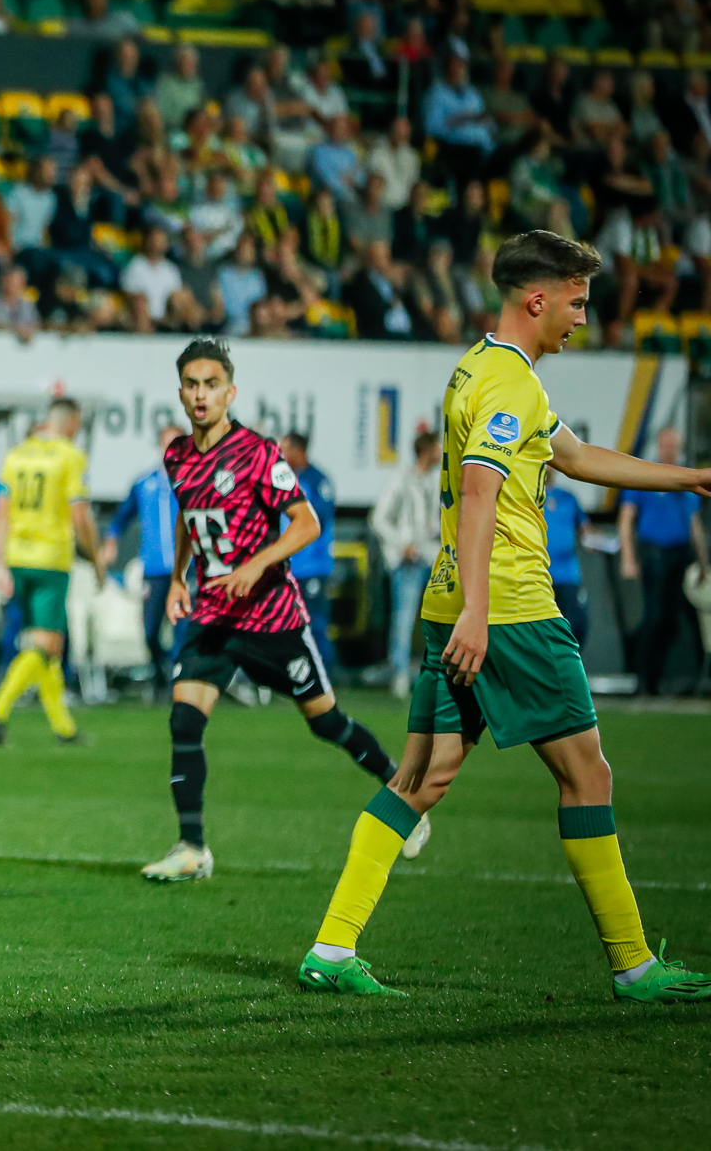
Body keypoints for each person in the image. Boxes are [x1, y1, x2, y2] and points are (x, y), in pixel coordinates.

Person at [298, 230, 711, 1003]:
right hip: (510, 610)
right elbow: (481, 493)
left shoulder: (480, 370)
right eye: (577, 302)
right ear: (538, 298)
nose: (583, 318)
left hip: (449, 601)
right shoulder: (510, 385)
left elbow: (574, 456)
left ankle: (331, 946)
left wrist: (688, 476)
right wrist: (481, 614)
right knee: (588, 775)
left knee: (420, 776)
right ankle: (634, 965)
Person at [146, 339, 417, 883]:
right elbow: (187, 515)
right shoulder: (177, 455)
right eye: (192, 385)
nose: (201, 395)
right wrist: (178, 577)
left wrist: (255, 566)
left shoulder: (257, 452)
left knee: (327, 722)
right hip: (213, 616)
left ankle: (405, 797)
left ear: (230, 392)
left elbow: (306, 523)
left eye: (211, 384)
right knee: (184, 719)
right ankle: (192, 847)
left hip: (272, 617)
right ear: (180, 392)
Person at [0, 398, 100, 746]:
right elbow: (80, 515)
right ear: (71, 422)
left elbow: (0, 511)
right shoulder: (70, 456)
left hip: (17, 557)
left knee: (50, 644)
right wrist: (96, 558)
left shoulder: (16, 455)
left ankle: (64, 728)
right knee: (45, 643)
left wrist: (0, 563)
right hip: (51, 559)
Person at [617, 426, 698, 695]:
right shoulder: (647, 474)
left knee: (673, 620)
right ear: (659, 446)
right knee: (655, 615)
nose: (670, 451)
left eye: (674, 446)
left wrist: (703, 561)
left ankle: (657, 680)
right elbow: (626, 518)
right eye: (666, 446)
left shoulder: (686, 478)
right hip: (655, 554)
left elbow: (694, 523)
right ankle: (642, 679)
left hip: (681, 555)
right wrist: (628, 558)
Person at [104, 424, 182, 699]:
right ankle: (161, 675)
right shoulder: (145, 483)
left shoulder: (195, 481)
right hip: (154, 569)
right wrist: (111, 540)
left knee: (183, 629)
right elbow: (121, 517)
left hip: (187, 570)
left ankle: (178, 684)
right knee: (149, 630)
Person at [372, 430, 441, 697]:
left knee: (442, 617)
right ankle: (400, 673)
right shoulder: (400, 480)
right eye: (437, 448)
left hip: (433, 556)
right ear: (426, 451)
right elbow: (378, 519)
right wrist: (402, 545)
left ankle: (441, 672)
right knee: (404, 618)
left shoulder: (436, 481)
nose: (441, 453)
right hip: (407, 561)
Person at [281, 432, 339, 679]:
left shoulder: (317, 481)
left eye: (285, 449)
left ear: (299, 450)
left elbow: (319, 521)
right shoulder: (281, 479)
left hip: (312, 566)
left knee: (315, 623)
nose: (281, 454)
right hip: (285, 566)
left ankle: (325, 673)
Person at [544, 467, 592, 647]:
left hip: (568, 575)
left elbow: (586, 532)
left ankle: (570, 662)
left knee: (576, 625)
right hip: (537, 576)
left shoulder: (568, 497)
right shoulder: (524, 498)